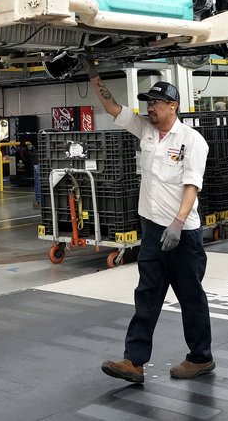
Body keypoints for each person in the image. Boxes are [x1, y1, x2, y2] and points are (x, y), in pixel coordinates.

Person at [87, 65, 213, 384]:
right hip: (152, 231)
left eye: (155, 103)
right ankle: (134, 362)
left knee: (190, 297)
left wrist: (178, 223)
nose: (149, 108)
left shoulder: (191, 140)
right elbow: (113, 107)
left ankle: (201, 358)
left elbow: (191, 185)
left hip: (182, 234)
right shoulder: (145, 131)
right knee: (146, 295)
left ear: (173, 106)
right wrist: (95, 81)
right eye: (147, 103)